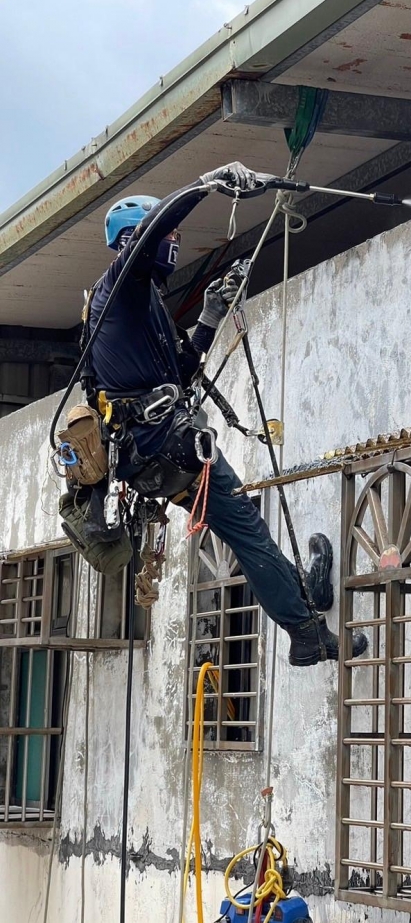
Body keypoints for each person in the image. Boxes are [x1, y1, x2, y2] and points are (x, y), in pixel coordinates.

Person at [86, 161, 366, 666]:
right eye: (168, 234)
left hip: (155, 449)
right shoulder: (118, 289)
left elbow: (183, 372)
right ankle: (305, 632)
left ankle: (300, 604)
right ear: (137, 240)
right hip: (160, 446)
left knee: (242, 526)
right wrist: (206, 183)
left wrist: (211, 315)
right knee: (246, 528)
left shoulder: (144, 302)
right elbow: (156, 226)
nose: (174, 240)